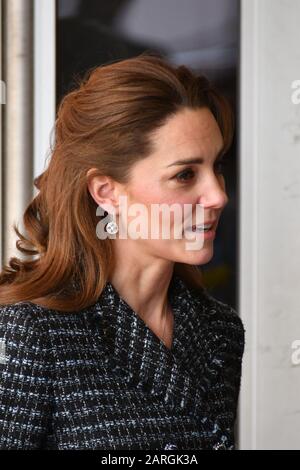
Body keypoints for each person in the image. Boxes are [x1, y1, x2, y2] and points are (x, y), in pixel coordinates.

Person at [0, 52, 245, 450]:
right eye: (184, 175)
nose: (218, 195)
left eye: (216, 166)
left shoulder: (218, 330)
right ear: (107, 192)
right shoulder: (31, 333)